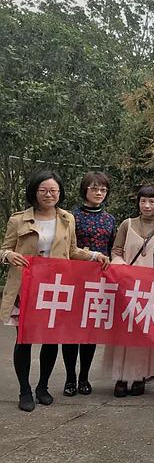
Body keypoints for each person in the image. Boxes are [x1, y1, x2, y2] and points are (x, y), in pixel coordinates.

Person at [0, 170, 109, 412]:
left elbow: (72, 251)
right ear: (35, 192)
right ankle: (25, 390)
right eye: (43, 190)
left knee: (50, 340)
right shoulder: (19, 220)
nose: (48, 194)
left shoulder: (67, 218)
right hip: (26, 288)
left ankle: (43, 387)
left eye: (53, 190)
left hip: (55, 288)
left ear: (60, 193)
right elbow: (4, 249)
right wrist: (8, 255)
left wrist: (95, 256)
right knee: (24, 340)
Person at [104, 184, 154, 398]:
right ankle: (120, 377)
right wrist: (121, 267)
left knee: (144, 334)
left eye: (152, 201)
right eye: (143, 201)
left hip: (151, 289)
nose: (147, 205)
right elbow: (116, 250)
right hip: (127, 286)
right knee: (123, 332)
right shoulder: (127, 224)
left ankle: (140, 376)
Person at [62, 171, 116, 397]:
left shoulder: (110, 219)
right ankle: (70, 378)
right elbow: (66, 248)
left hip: (98, 281)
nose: (99, 193)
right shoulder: (70, 217)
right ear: (85, 190)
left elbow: (112, 249)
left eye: (103, 189)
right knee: (70, 331)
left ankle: (84, 377)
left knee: (89, 331)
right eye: (94, 188)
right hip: (73, 278)